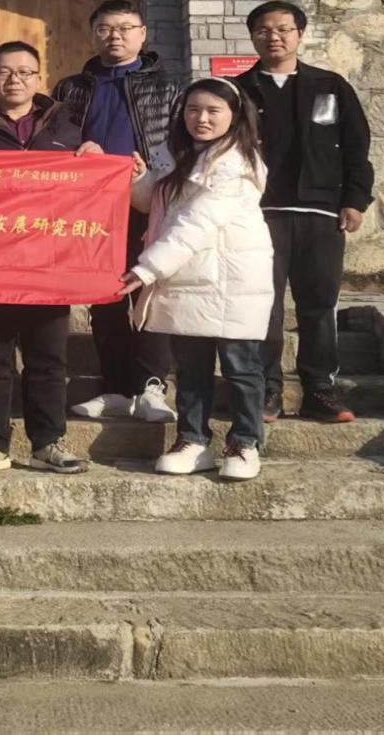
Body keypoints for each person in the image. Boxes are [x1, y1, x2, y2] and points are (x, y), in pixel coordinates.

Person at [0, 41, 103, 477]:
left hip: (48, 262)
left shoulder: (66, 127)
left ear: (39, 78)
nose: (14, 80)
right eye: (3, 72)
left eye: (24, 72)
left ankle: (47, 442)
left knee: (48, 357)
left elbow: (88, 187)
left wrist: (94, 160)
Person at [120, 78, 273, 481]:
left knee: (240, 367)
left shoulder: (238, 163)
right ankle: (192, 440)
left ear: (234, 116)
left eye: (212, 111)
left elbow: (196, 223)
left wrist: (146, 268)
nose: (201, 118)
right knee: (191, 368)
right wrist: (138, 178)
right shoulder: (174, 153)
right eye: (193, 109)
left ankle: (245, 443)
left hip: (233, 278)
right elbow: (150, 203)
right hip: (186, 276)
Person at [235, 1, 374, 424]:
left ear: (299, 33)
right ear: (253, 36)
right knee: (264, 304)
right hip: (259, 213)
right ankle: (267, 389)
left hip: (321, 211)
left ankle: (320, 390)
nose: (273, 37)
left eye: (283, 29)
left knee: (319, 303)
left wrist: (355, 199)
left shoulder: (330, 86)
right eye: (263, 30)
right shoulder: (238, 90)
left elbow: (356, 148)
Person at [53, 0, 179, 423]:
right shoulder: (71, 88)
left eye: (126, 27)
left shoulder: (168, 87)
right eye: (106, 28)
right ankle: (115, 388)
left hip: (148, 201)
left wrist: (152, 170)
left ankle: (151, 386)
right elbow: (55, 138)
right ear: (93, 34)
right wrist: (77, 149)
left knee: (148, 291)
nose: (116, 36)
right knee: (105, 296)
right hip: (91, 208)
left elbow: (180, 143)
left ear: (143, 34)